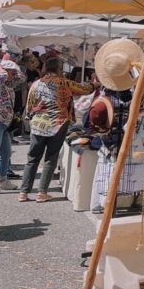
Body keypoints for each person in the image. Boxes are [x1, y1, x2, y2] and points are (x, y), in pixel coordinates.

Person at [20, 56, 92, 202]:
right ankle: (42, 193)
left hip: (39, 125)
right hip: (58, 124)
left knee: (32, 159)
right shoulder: (64, 82)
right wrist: (94, 84)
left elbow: (29, 108)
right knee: (50, 159)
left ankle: (23, 192)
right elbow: (84, 90)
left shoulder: (36, 84)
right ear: (58, 68)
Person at [0, 60, 25, 192]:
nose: (14, 74)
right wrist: (0, 65)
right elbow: (1, 75)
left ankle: (2, 181)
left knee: (6, 153)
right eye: (11, 72)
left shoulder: (8, 84)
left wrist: (14, 67)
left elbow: (22, 77)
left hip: (5, 123)